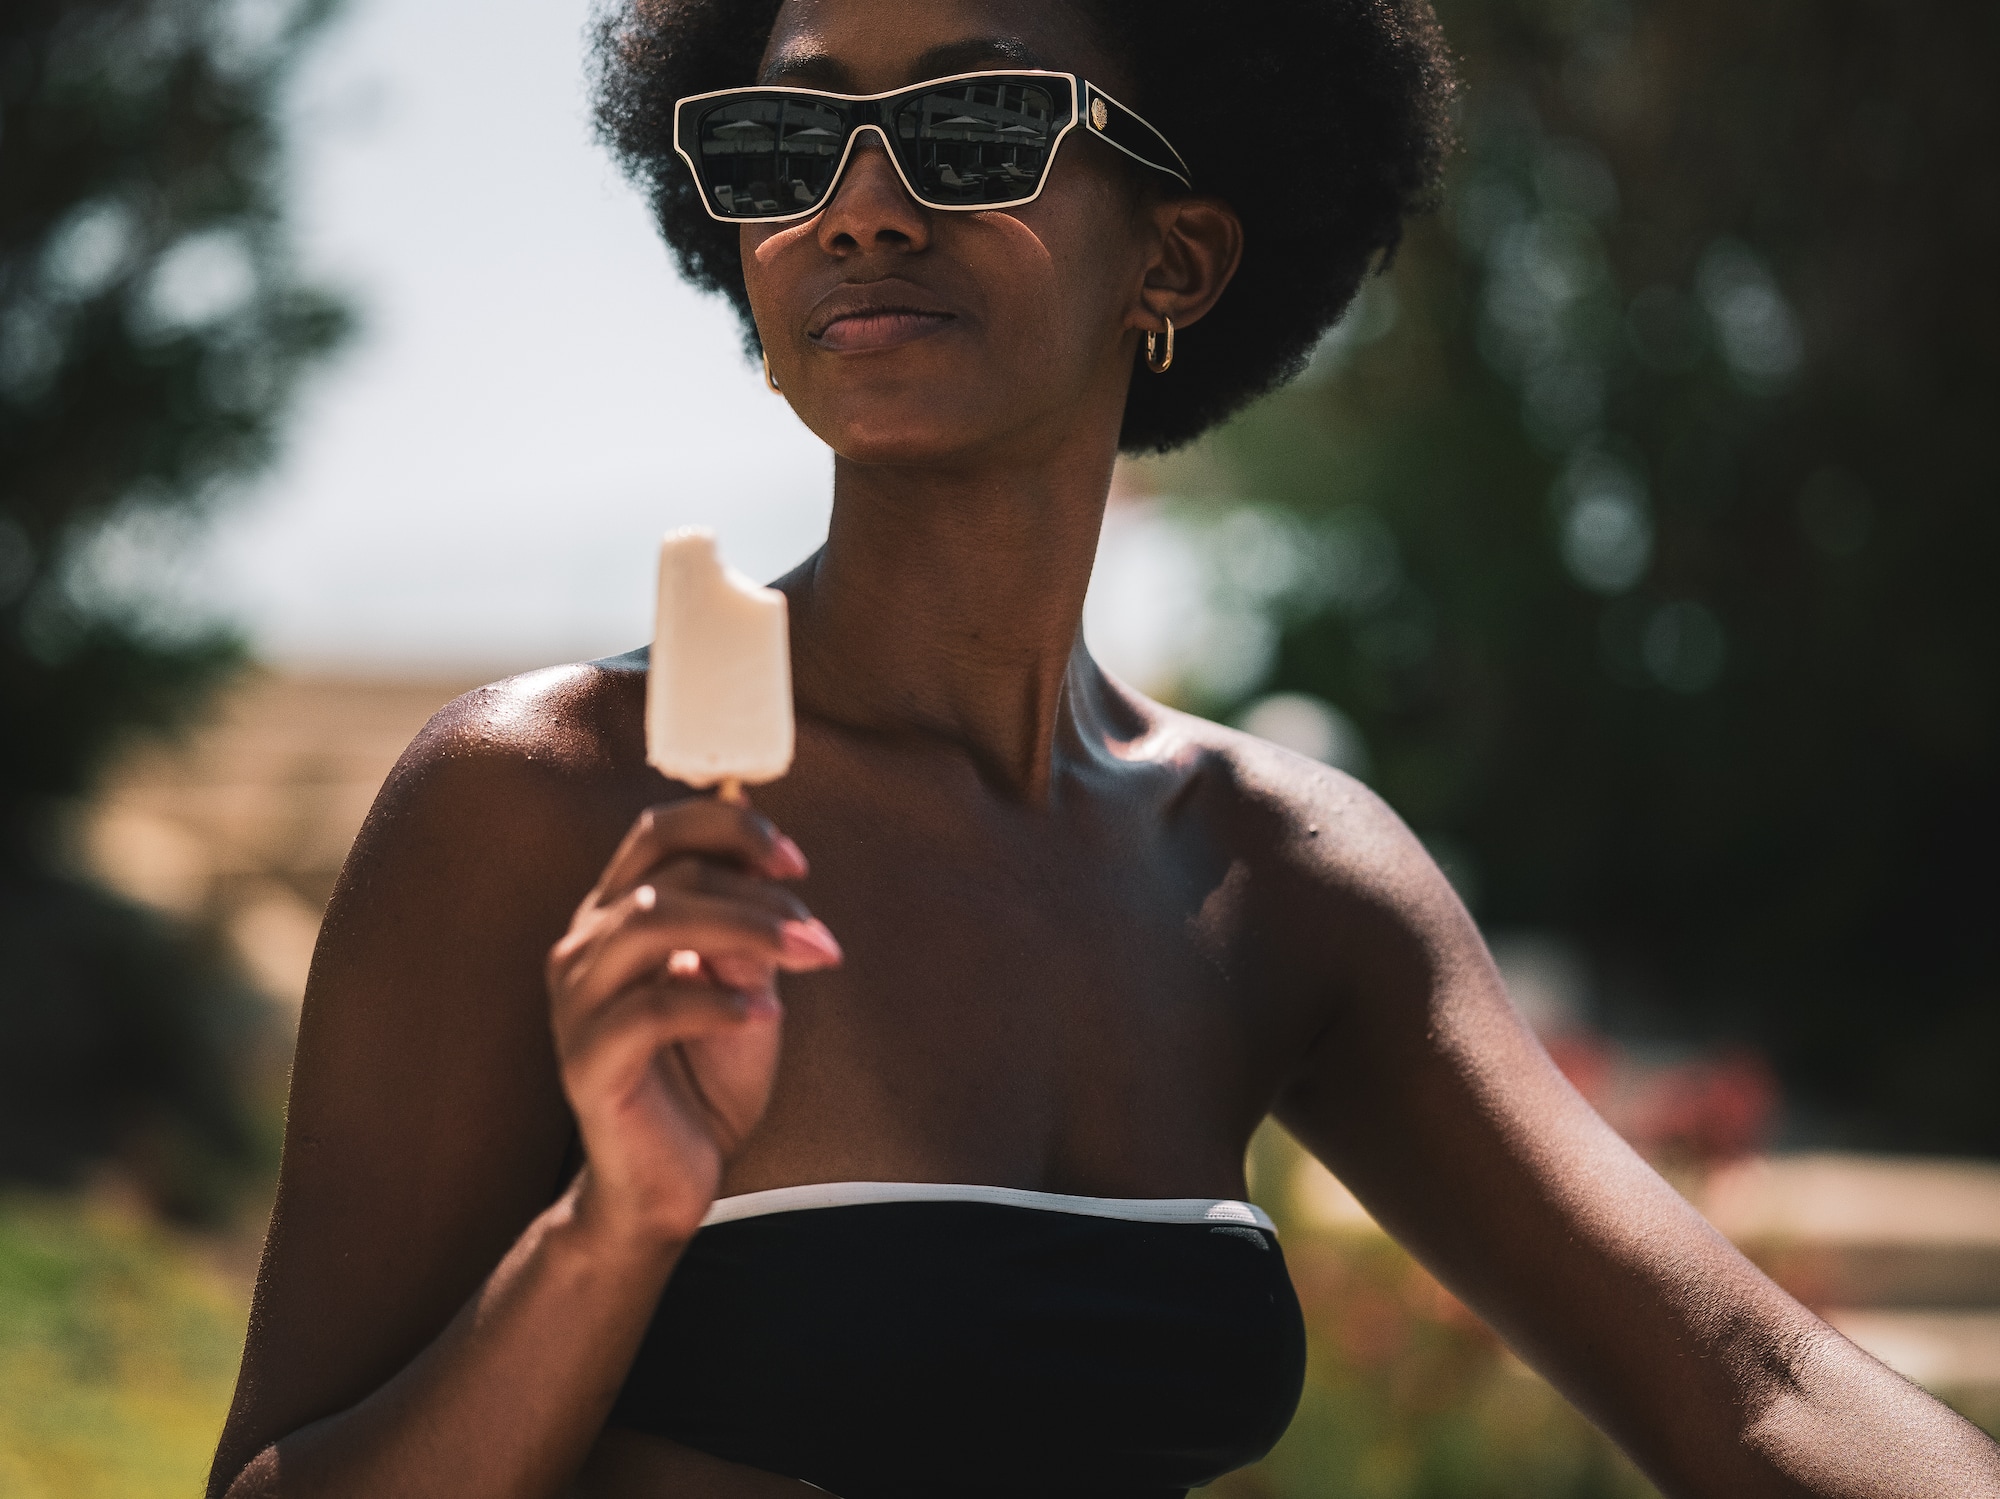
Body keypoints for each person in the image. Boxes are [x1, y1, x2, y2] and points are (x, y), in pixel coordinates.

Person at [208, 1, 2000, 1495]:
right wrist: (608, 1236)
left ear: (1179, 255)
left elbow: (1751, 1389)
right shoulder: (544, 802)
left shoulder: (1286, 878)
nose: (864, 205)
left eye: (977, 128)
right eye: (786, 146)